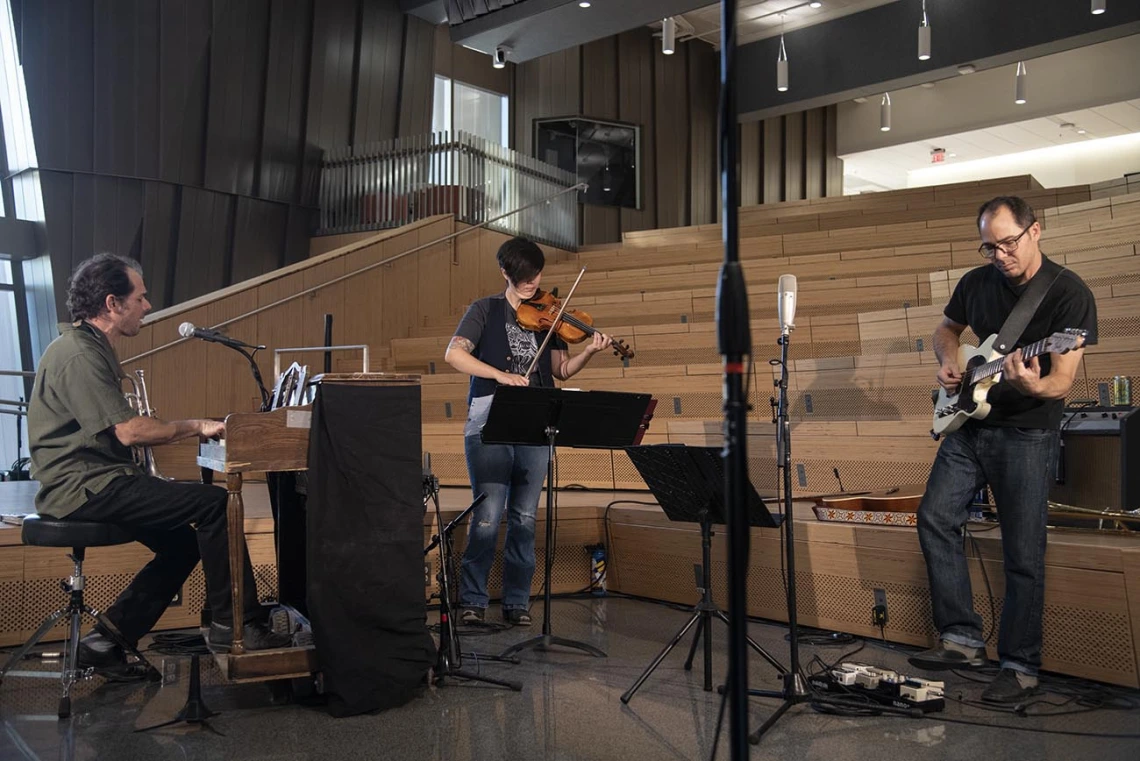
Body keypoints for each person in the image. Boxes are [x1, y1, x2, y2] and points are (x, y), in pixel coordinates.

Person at [28, 253, 289, 677]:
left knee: (183, 544)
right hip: (85, 488)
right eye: (141, 297)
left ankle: (106, 641)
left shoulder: (90, 348)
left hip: (99, 481)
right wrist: (195, 425)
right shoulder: (78, 355)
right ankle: (238, 627)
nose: (148, 306)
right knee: (217, 505)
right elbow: (129, 432)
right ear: (113, 303)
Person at [909, 196, 1097, 703]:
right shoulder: (975, 281)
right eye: (989, 246)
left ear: (1036, 231)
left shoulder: (1068, 295)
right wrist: (950, 362)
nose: (999, 255)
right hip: (969, 427)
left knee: (1023, 549)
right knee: (935, 518)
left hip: (1027, 432)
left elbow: (1059, 384)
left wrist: (1030, 385)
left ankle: (1020, 667)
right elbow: (946, 329)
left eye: (1008, 243)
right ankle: (961, 639)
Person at [444, 237, 611, 626]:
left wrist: (588, 351)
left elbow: (561, 371)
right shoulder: (485, 310)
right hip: (490, 418)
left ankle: (517, 602)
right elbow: (454, 354)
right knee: (487, 515)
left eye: (535, 276)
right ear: (505, 273)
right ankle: (472, 599)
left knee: (523, 516)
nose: (531, 283)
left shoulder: (549, 316)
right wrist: (500, 375)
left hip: (537, 420)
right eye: (522, 278)